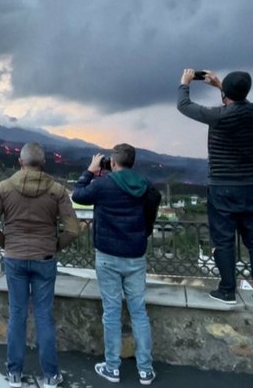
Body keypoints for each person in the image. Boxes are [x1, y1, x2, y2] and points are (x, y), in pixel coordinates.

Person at [0, 142, 81, 388]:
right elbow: (73, 229)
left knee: (17, 314)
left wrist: (8, 244)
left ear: (20, 161)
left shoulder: (3, 188)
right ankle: (50, 376)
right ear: (44, 163)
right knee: (44, 316)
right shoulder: (57, 190)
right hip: (44, 259)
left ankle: (14, 374)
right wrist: (54, 246)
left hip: (14, 259)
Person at [177, 69, 253, 306]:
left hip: (223, 186)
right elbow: (240, 102)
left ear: (226, 94)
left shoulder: (219, 115)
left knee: (224, 240)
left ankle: (227, 290)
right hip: (251, 185)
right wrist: (221, 86)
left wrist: (185, 82)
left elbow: (184, 105)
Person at [71, 144, 156, 385]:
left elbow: (78, 195)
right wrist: (144, 232)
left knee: (112, 312)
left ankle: (112, 367)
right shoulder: (144, 184)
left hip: (108, 255)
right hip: (136, 254)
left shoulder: (103, 184)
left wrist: (90, 171)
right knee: (139, 312)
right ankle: (145, 370)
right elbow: (154, 202)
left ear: (113, 163)